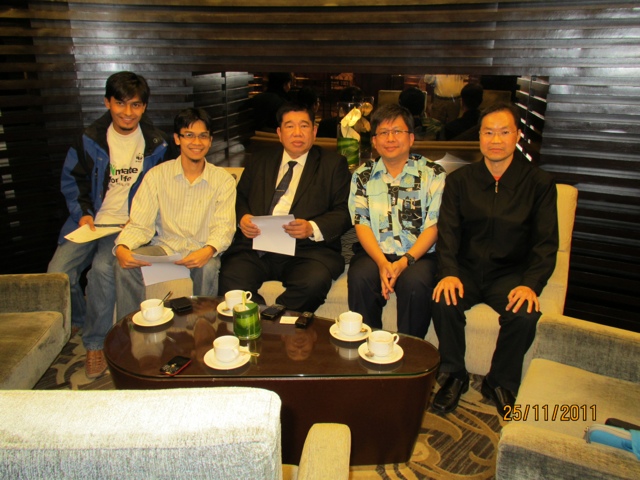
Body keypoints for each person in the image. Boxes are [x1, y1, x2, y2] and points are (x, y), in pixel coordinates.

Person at [431, 103, 558, 417]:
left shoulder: (539, 183)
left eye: (504, 132)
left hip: (510, 274)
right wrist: (449, 272)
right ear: (479, 137)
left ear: (517, 135)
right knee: (443, 299)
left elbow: (545, 244)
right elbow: (448, 233)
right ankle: (454, 374)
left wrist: (530, 284)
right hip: (467, 270)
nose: (496, 140)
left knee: (525, 313)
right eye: (488, 132)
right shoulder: (460, 181)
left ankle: (499, 381)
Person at [47, 71, 174, 379]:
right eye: (120, 103)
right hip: (89, 221)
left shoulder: (157, 144)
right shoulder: (88, 139)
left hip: (125, 226)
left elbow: (163, 189)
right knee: (57, 273)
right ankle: (79, 319)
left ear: (144, 107)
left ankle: (95, 343)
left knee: (102, 270)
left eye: (135, 104)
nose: (127, 112)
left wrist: (142, 219)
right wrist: (83, 213)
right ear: (107, 103)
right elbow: (72, 180)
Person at [219, 102, 352, 313]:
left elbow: (344, 211)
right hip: (257, 247)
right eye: (290, 126)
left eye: (304, 126)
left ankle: (275, 319)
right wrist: (243, 217)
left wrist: (311, 227)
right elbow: (240, 197)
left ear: (314, 131)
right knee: (231, 277)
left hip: (306, 252)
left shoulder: (333, 164)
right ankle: (258, 317)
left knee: (313, 283)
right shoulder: (259, 160)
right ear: (280, 133)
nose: (297, 133)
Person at [114, 108, 237, 318]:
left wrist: (209, 250)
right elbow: (140, 223)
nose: (196, 142)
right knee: (126, 264)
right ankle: (130, 325)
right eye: (189, 135)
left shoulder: (223, 180)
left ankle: (203, 326)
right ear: (177, 139)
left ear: (210, 141)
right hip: (165, 249)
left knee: (208, 268)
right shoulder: (157, 176)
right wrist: (123, 246)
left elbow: (224, 226)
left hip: (202, 249)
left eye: (203, 136)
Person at [348, 103, 446, 338]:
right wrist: (382, 263)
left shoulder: (433, 174)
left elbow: (434, 225)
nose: (390, 138)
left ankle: (409, 350)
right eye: (383, 132)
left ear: (411, 138)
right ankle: (369, 343)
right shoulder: (362, 175)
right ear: (374, 141)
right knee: (360, 277)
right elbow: (361, 223)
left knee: (415, 284)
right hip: (375, 252)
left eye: (397, 131)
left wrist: (404, 261)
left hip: (419, 255)